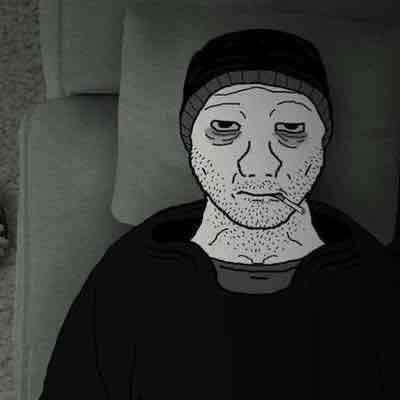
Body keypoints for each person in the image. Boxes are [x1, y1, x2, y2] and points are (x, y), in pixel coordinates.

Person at [38, 29, 396, 399]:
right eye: (225, 128)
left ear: (321, 143)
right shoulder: (130, 275)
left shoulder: (374, 283)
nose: (259, 165)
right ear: (191, 142)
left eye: (290, 129)